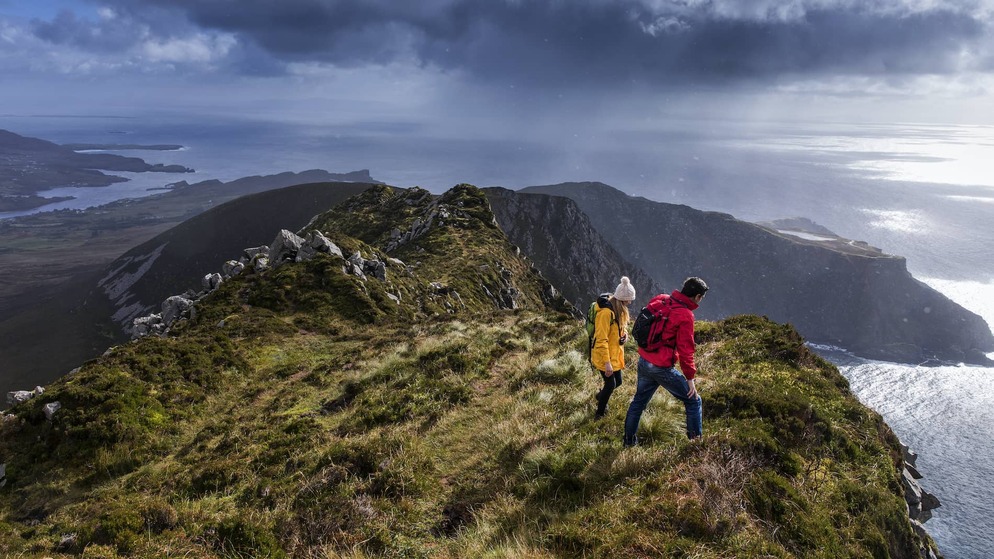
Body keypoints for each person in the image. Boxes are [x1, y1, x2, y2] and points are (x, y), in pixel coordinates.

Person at [623, 276, 709, 446]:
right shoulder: (685, 315)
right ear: (698, 297)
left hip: (644, 359)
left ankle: (628, 443)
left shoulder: (661, 299)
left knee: (638, 403)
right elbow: (686, 351)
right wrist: (690, 379)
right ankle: (695, 446)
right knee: (693, 401)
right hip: (661, 367)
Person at [590, 276, 635, 419]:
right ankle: (599, 413)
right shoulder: (605, 314)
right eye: (629, 300)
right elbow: (601, 339)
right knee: (610, 385)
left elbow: (622, 329)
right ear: (622, 299)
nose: (630, 302)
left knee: (618, 382)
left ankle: (600, 395)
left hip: (614, 353)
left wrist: (625, 336)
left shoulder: (619, 311)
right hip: (604, 356)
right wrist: (607, 363)